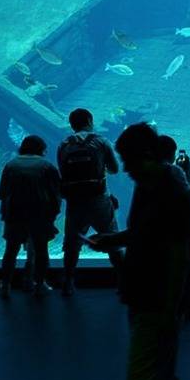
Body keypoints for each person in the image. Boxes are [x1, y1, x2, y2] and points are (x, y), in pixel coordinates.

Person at [92, 123, 190, 380]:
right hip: (147, 298)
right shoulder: (150, 185)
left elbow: (177, 250)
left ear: (147, 155)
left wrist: (170, 308)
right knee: (165, 378)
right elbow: (147, 234)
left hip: (155, 302)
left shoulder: (166, 189)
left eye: (128, 159)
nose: (124, 168)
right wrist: (115, 239)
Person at [58, 108, 122, 296]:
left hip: (75, 201)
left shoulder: (64, 144)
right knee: (112, 239)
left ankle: (68, 282)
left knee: (72, 243)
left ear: (72, 124)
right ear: (89, 120)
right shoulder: (100, 141)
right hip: (99, 199)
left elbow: (63, 172)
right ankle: (124, 281)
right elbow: (114, 169)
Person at [0, 135, 62, 299]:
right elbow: (56, 195)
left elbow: (3, 195)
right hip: (40, 215)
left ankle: (6, 285)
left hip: (15, 214)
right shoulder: (47, 166)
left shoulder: (11, 165)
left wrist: (5, 216)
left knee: (11, 250)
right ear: (41, 149)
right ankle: (39, 284)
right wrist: (52, 217)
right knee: (41, 251)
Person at [158, 135, 190, 319]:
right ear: (171, 154)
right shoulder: (174, 171)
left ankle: (166, 305)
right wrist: (187, 171)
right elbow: (189, 194)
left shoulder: (147, 174)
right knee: (186, 265)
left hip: (158, 226)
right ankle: (188, 306)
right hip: (179, 225)